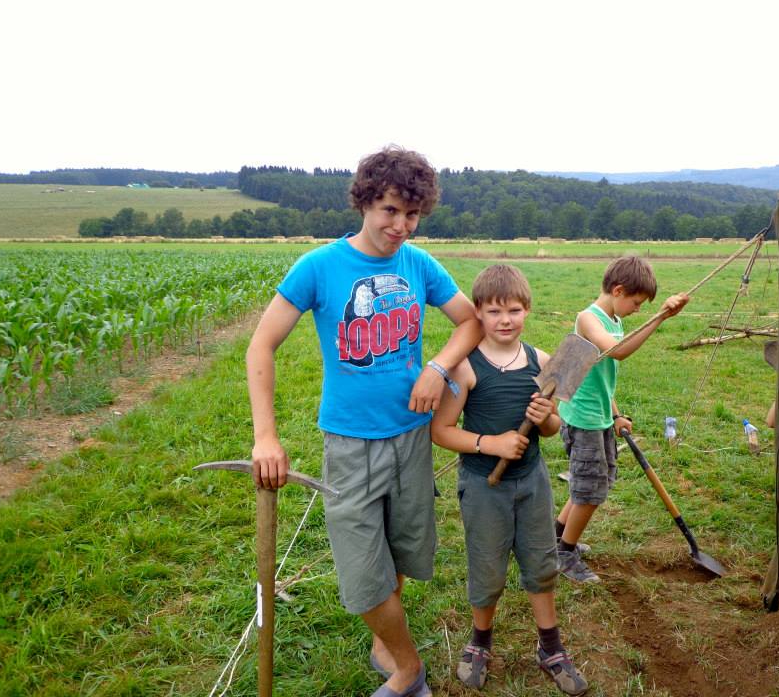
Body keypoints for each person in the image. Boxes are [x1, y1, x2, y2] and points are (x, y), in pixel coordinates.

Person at [246, 146, 481, 697]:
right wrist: (265, 435)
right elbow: (262, 345)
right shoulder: (319, 267)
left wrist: (438, 366)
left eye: (412, 214)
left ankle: (384, 642)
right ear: (365, 203)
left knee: (399, 550)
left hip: (410, 438)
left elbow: (469, 321)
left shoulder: (418, 264)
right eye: (391, 211)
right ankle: (407, 668)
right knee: (361, 567)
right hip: (350, 446)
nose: (402, 226)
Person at [431, 265, 588, 695]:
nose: (505, 319)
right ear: (477, 312)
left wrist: (547, 417)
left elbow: (553, 428)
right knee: (488, 566)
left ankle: (550, 646)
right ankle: (480, 642)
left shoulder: (543, 362)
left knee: (541, 562)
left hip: (532, 481)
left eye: (514, 310)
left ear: (527, 311)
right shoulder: (465, 367)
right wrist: (491, 444)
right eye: (494, 310)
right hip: (484, 486)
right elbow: (441, 430)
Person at [554, 256, 689, 584]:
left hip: (599, 417)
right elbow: (617, 351)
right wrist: (659, 318)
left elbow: (599, 375)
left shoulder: (614, 319)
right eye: (637, 302)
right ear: (618, 290)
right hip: (583, 420)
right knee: (590, 490)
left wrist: (616, 414)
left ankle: (555, 537)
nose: (638, 309)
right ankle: (563, 554)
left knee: (593, 484)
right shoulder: (589, 318)